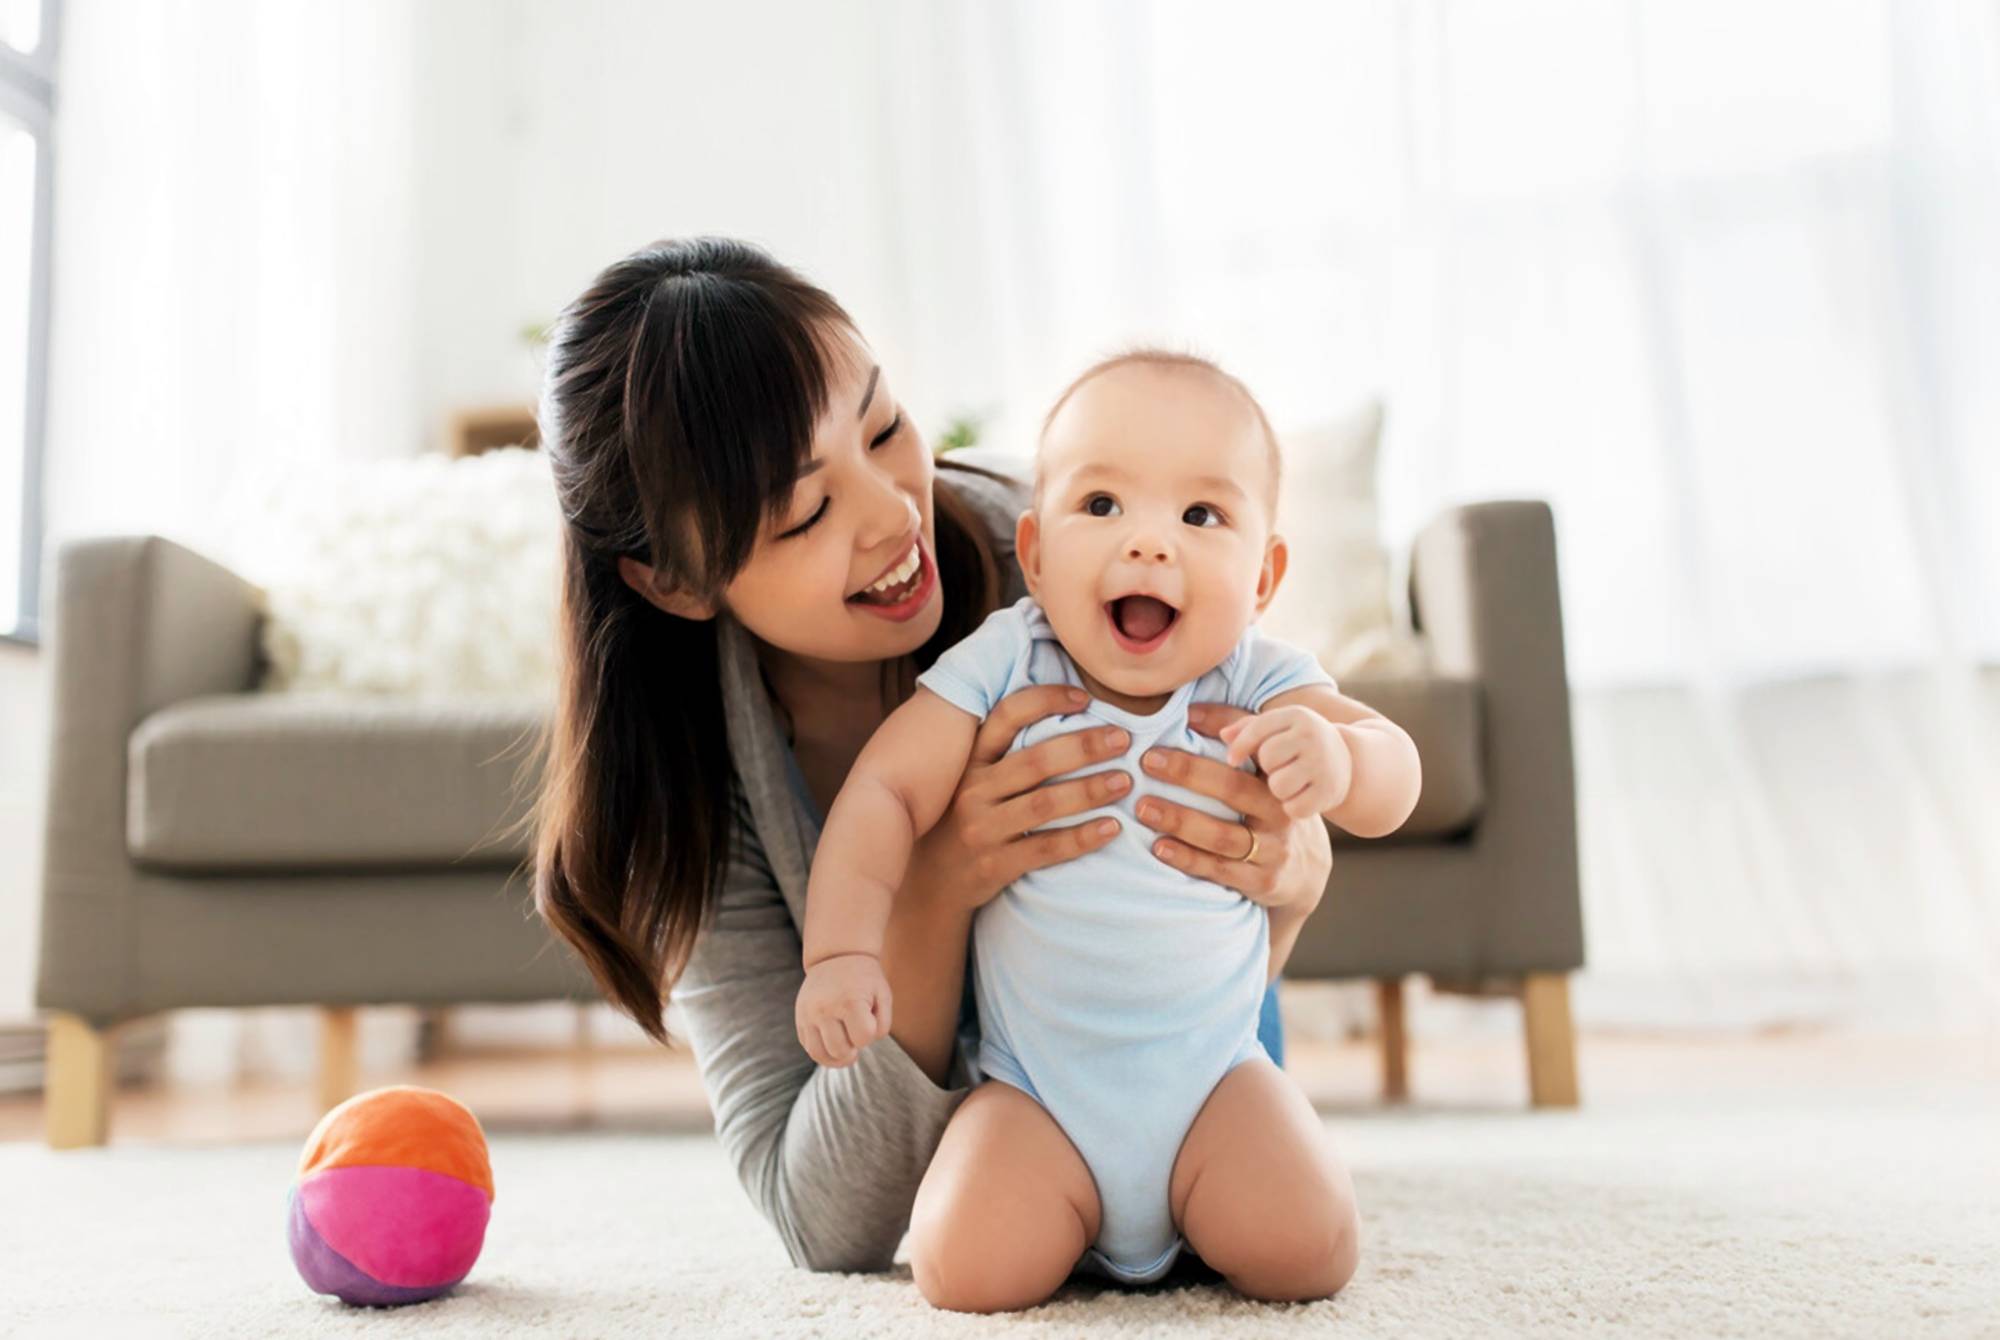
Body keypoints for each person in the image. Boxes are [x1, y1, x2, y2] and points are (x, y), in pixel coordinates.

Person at [527, 236, 1339, 1278]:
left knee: (1286, 1222)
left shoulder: (1066, 564)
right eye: (807, 510)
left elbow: (1278, 755)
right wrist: (933, 890)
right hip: (1011, 1142)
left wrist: (1293, 877)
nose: (891, 512)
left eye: (882, 425)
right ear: (675, 582)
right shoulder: (680, 791)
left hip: (1193, 1044)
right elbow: (822, 1216)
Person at [795, 349, 1419, 1308]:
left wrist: (1340, 762)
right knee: (960, 1269)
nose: (1150, 545)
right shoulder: (1007, 657)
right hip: (1036, 1095)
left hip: (1216, 1081)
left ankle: (1198, 1202)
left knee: (1312, 1250)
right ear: (1036, 554)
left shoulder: (1257, 676)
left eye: (1201, 515)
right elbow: (883, 794)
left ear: (1264, 576)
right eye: (1102, 507)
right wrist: (840, 953)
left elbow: (1395, 776)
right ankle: (1072, 1214)